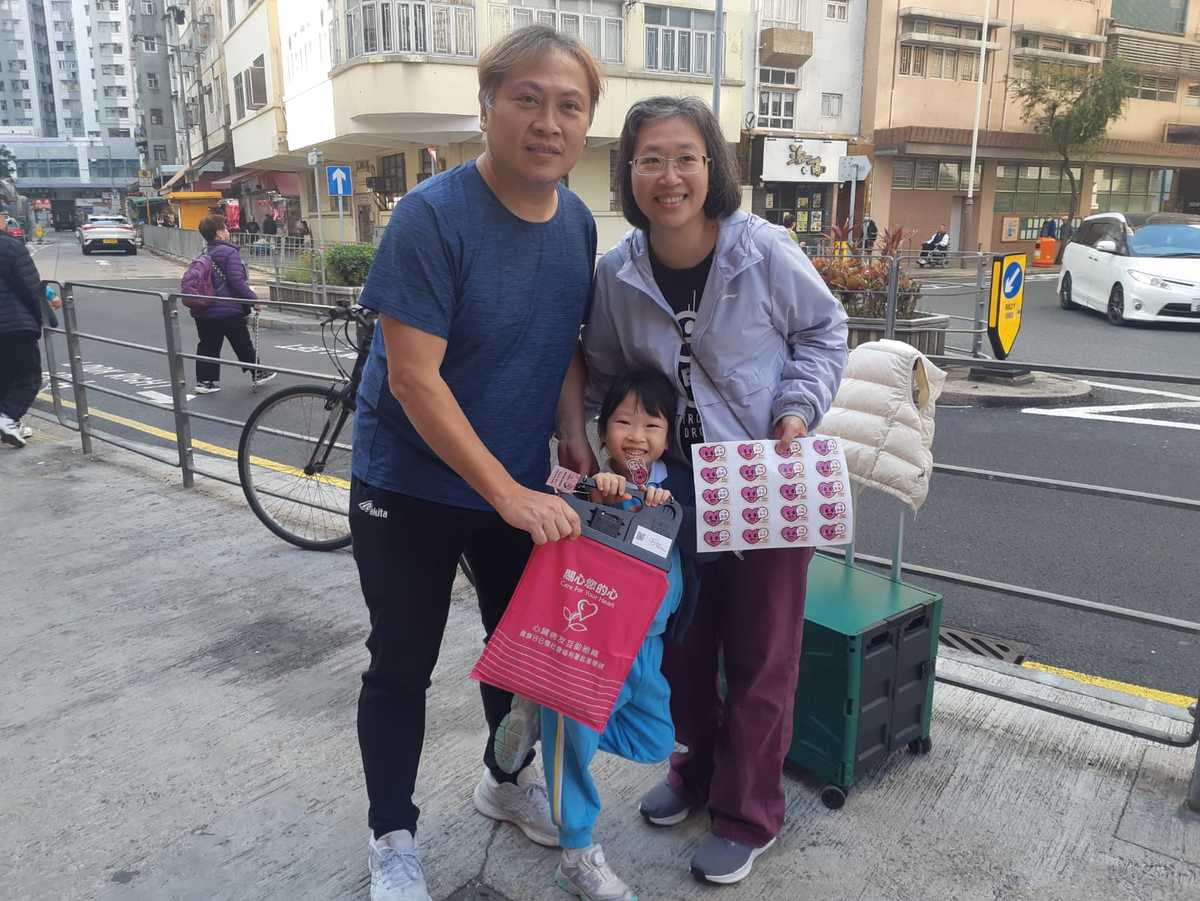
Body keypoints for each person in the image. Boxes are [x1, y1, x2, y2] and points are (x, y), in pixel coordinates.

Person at [347, 26, 602, 901]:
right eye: (526, 99)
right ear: (487, 106)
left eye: (568, 105)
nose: (547, 122)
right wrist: (509, 494)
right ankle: (392, 834)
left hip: (516, 482)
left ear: (586, 123)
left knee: (521, 655)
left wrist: (571, 430)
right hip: (408, 482)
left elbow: (564, 341)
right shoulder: (431, 217)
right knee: (402, 661)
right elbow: (413, 379)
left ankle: (504, 780)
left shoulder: (577, 222)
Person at [584, 95, 848, 886]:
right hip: (668, 493)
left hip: (763, 481)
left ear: (712, 167)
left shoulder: (762, 249)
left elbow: (824, 331)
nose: (669, 177)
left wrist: (797, 407)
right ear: (628, 172)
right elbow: (604, 371)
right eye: (650, 160)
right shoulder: (617, 272)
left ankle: (748, 813)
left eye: (685, 158)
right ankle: (694, 770)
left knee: (763, 655)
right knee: (680, 646)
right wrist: (607, 446)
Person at [493, 369, 683, 901]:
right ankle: (577, 853)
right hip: (587, 654)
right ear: (602, 431)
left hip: (643, 649)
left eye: (652, 425)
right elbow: (559, 500)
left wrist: (655, 498)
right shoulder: (591, 485)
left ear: (668, 436)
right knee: (571, 747)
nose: (636, 436)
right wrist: (599, 492)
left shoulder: (673, 489)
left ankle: (538, 714)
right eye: (623, 422)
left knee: (656, 739)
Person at [188, 214, 274, 395]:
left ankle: (205, 382)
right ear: (219, 233)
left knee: (207, 345)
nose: (228, 231)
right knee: (242, 342)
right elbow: (237, 282)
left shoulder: (204, 253)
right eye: (225, 228)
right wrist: (254, 300)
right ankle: (258, 372)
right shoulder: (229, 253)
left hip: (204, 309)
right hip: (229, 309)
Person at [0, 218, 57, 448]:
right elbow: (31, 288)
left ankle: (11, 422)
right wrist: (42, 318)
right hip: (14, 325)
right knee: (28, 377)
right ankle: (7, 418)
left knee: (5, 377)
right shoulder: (10, 246)